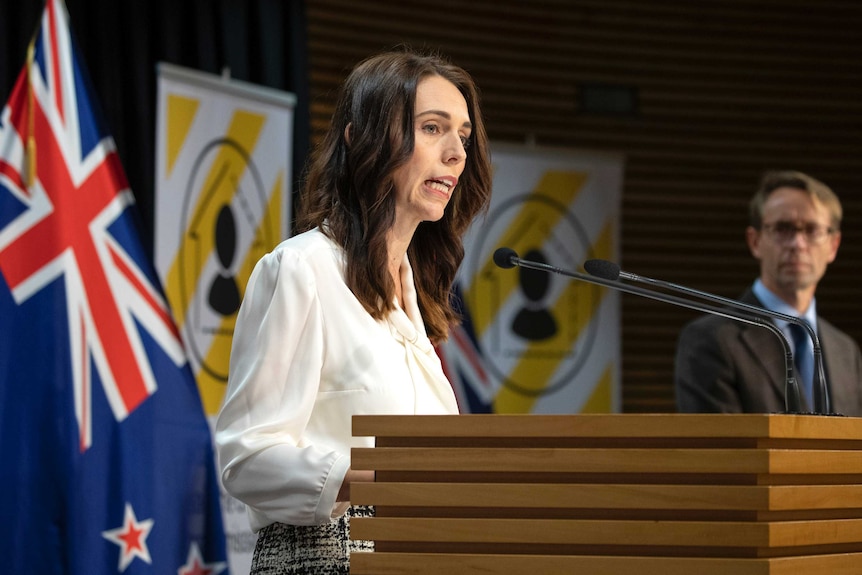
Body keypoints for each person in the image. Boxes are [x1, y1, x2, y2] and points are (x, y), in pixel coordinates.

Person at [214, 48, 492, 574]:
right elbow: (245, 457)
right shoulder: (301, 269)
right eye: (433, 128)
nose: (456, 152)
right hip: (325, 558)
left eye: (463, 135)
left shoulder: (417, 298)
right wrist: (371, 474)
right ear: (361, 137)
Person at [675, 170, 862, 416]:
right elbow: (721, 451)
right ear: (755, 241)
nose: (797, 244)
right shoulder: (710, 340)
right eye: (783, 229)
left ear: (833, 246)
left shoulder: (846, 350)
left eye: (812, 230)